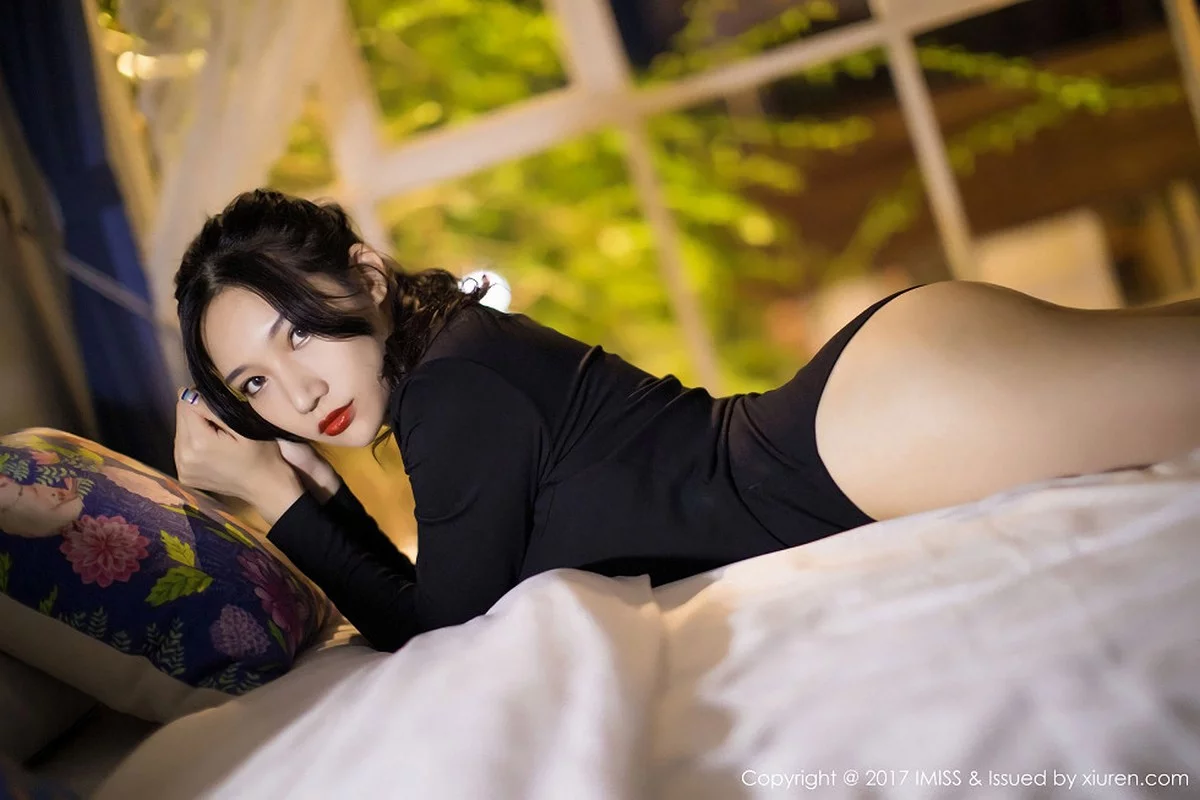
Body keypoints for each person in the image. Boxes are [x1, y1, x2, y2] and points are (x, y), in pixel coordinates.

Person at [173, 189, 1199, 653]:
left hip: (899, 423)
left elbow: (439, 629)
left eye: (297, 331)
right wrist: (312, 498)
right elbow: (444, 593)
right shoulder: (452, 364)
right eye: (254, 383)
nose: (296, 393)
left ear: (364, 275)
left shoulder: (453, 394)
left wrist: (274, 496)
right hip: (889, 403)